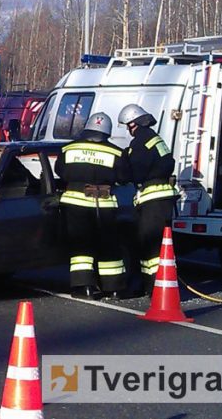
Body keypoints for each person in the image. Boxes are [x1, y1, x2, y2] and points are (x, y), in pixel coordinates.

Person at [54, 112, 128, 300]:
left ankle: (84, 287)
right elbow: (123, 178)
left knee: (81, 247)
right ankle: (113, 289)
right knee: (108, 246)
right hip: (104, 205)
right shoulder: (117, 152)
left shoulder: (68, 149)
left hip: (75, 204)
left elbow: (60, 172)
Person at [118, 104, 177, 294]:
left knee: (149, 244)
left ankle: (154, 287)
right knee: (160, 243)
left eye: (128, 125)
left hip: (152, 198)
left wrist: (123, 168)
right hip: (164, 198)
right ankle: (154, 285)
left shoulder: (140, 143)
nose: (128, 129)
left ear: (134, 123)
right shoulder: (155, 139)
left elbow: (136, 171)